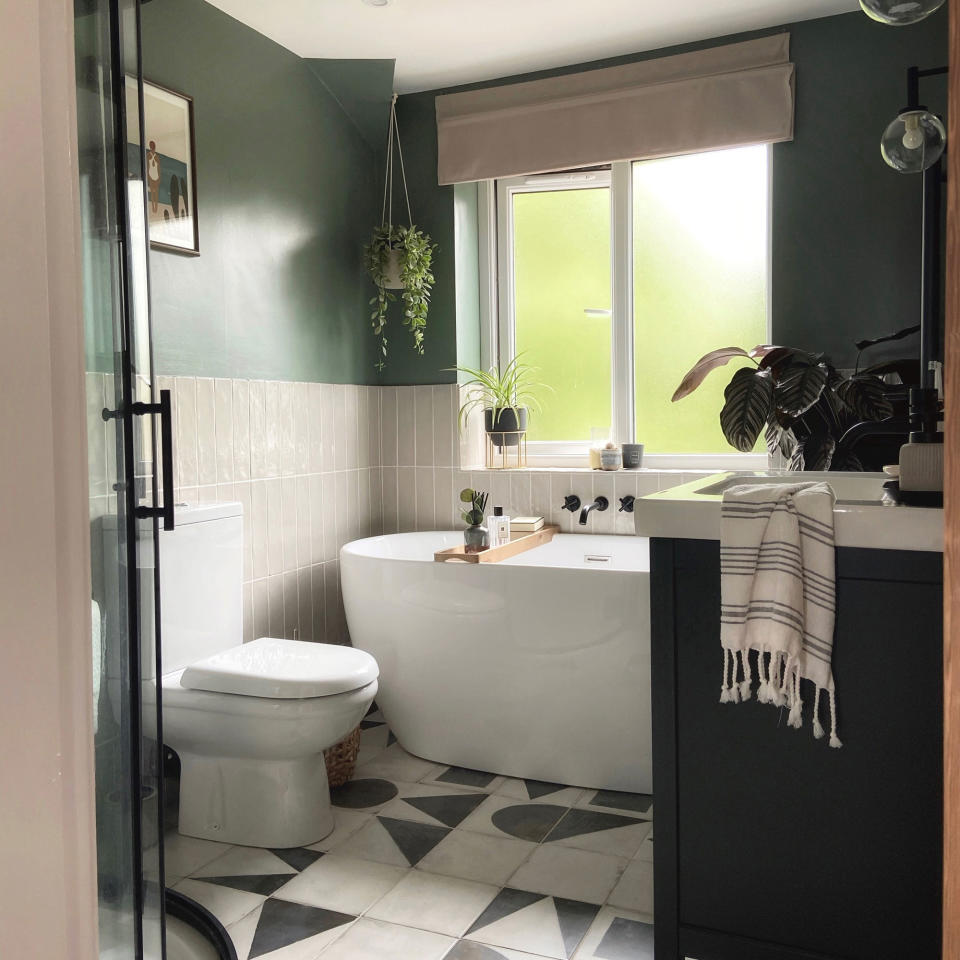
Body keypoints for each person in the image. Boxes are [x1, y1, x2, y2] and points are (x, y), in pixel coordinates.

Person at [146, 140, 161, 214]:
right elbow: (147, 167)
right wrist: (148, 177)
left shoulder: (157, 156)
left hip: (156, 176)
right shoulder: (148, 155)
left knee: (156, 193)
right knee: (153, 193)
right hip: (151, 176)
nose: (152, 148)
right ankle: (153, 208)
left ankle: (156, 208)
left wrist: (159, 178)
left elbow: (158, 168)